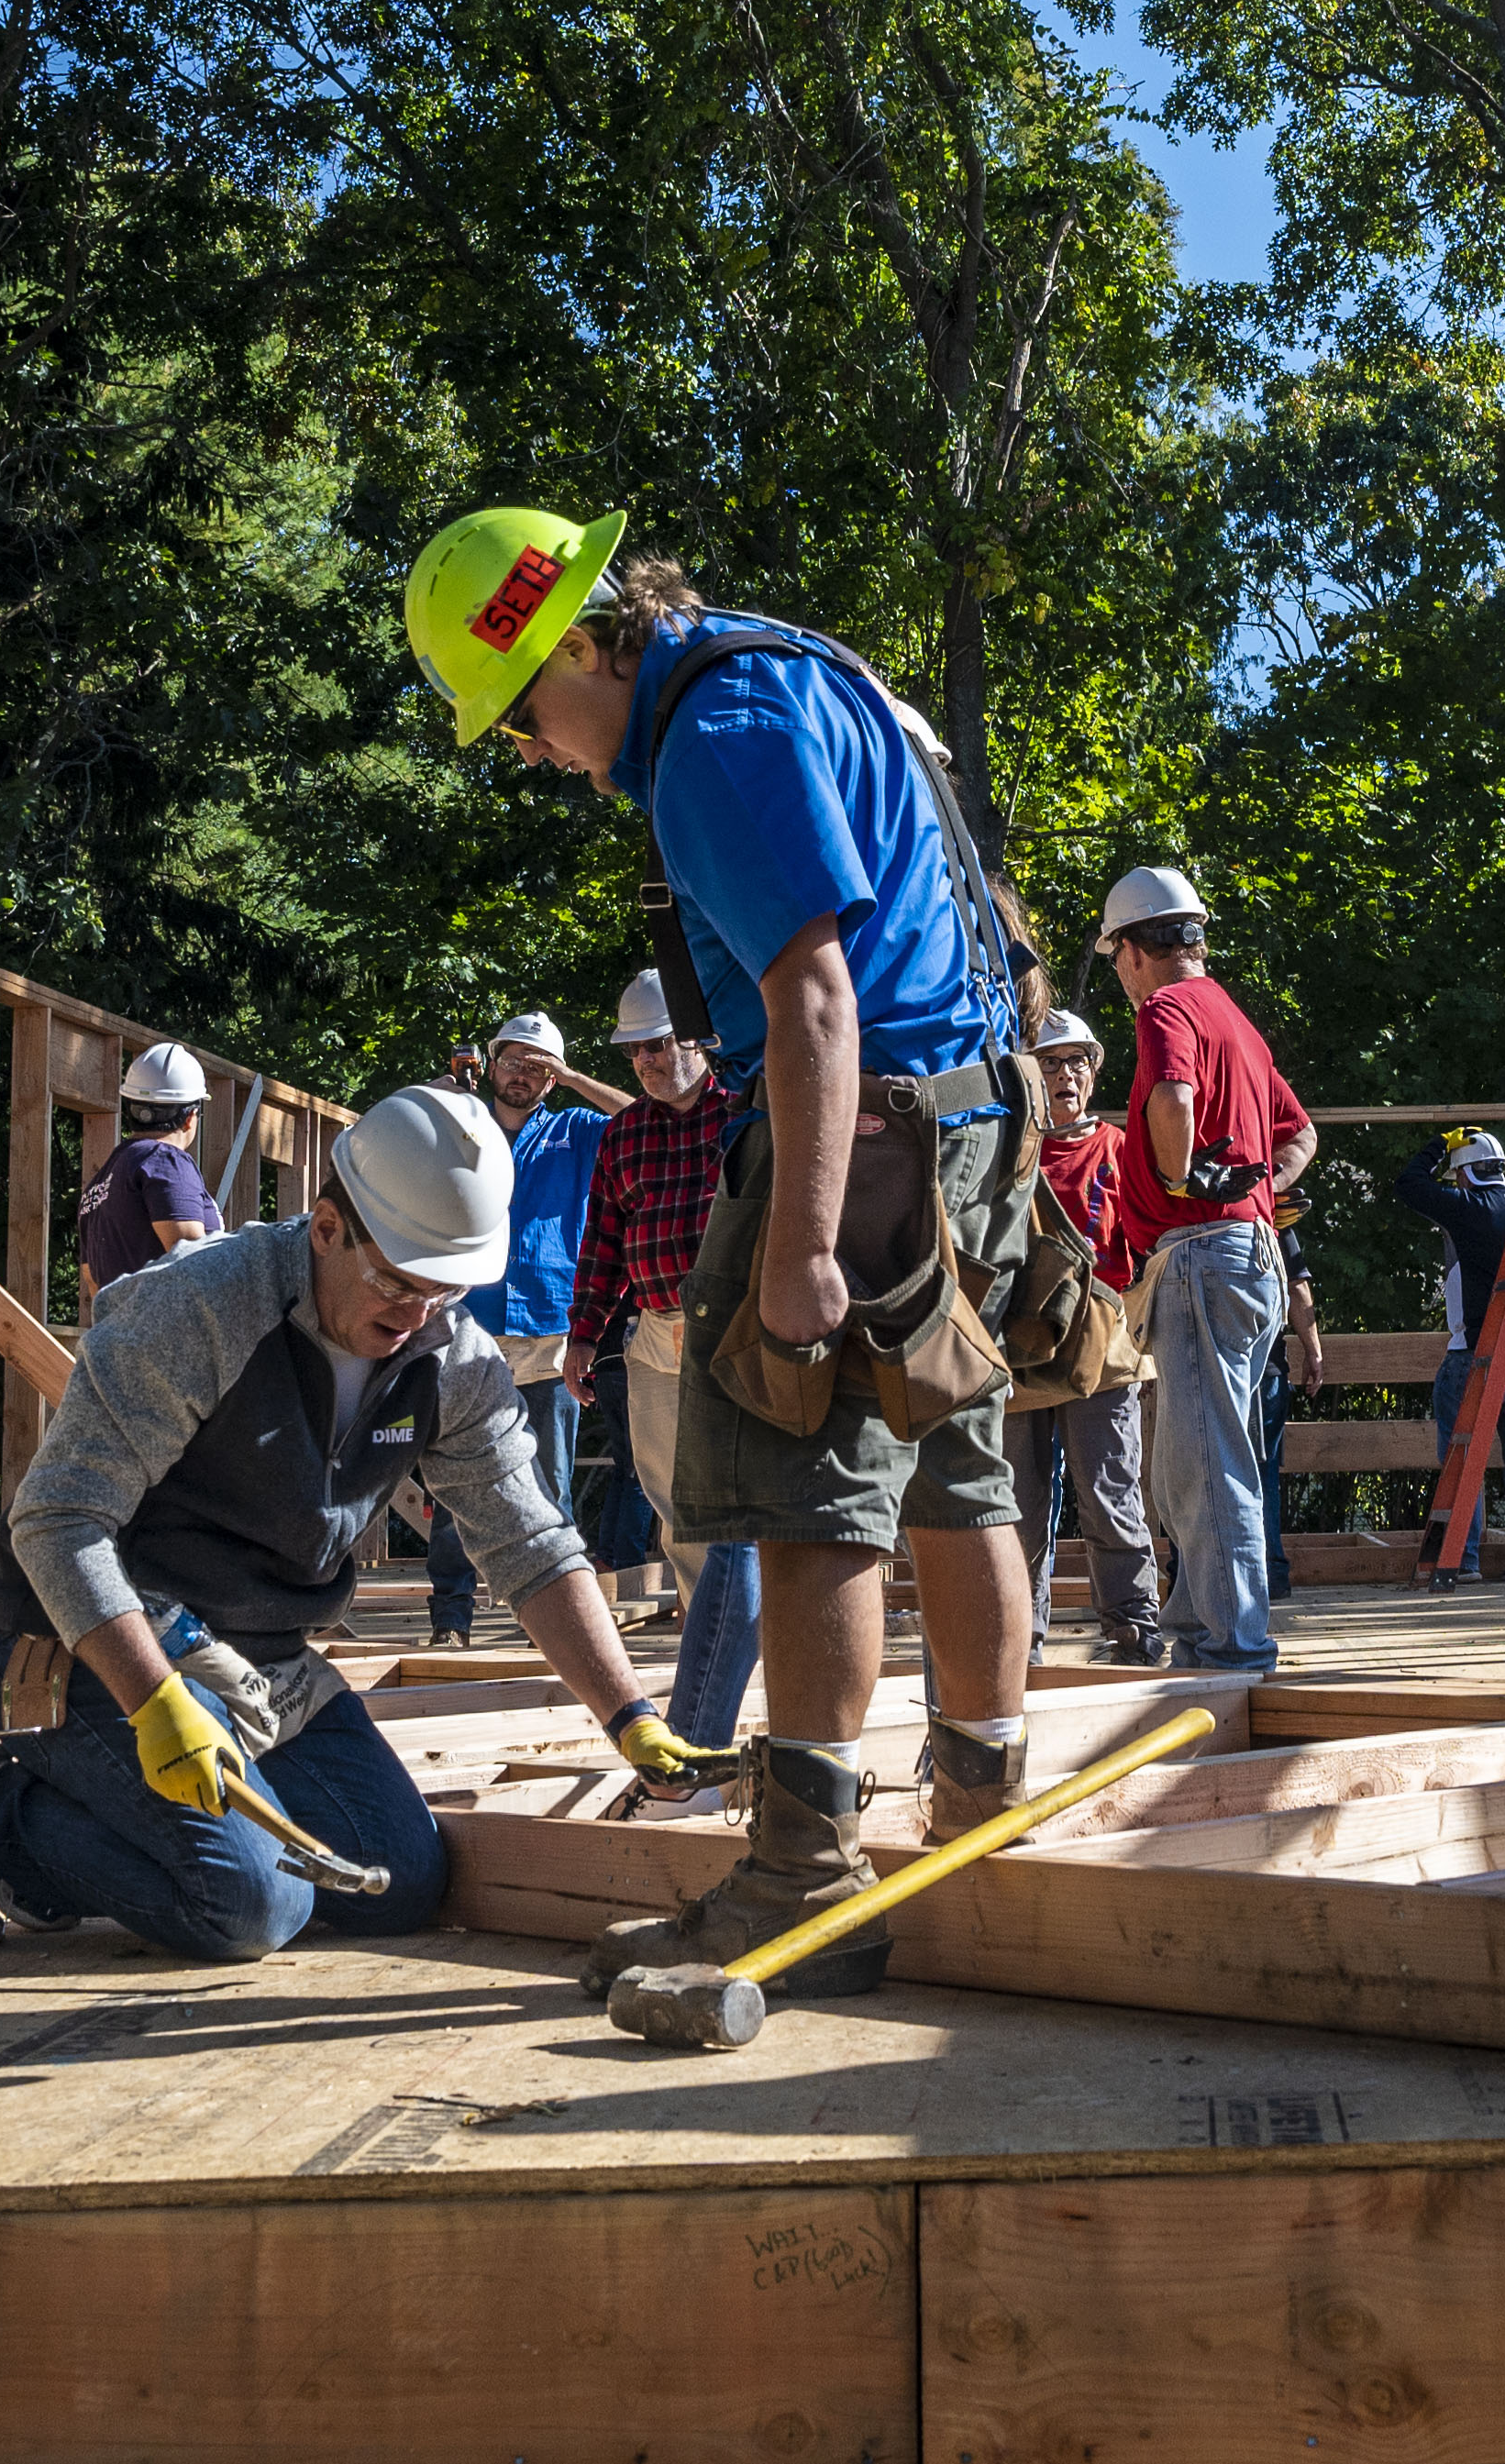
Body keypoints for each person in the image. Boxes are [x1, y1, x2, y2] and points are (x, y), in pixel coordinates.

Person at [408, 503, 1050, 1999]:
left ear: (575, 638)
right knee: (956, 1469)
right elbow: (982, 911)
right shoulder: (801, 666)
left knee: (805, 1488)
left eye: (519, 712)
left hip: (865, 1129)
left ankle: (802, 1868)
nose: (527, 751)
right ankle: (979, 1802)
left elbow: (813, 995)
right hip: (962, 1110)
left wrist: (802, 1239)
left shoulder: (712, 728)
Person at [0, 1089, 719, 1958]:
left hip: (260, 1657)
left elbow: (530, 1546)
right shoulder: (200, 1308)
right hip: (83, 1646)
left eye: (444, 1291)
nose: (416, 1315)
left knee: (396, 1880)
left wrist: (628, 1715)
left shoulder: (452, 1359)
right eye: (398, 1282)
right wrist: (155, 1702)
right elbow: (59, 1521)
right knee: (251, 1904)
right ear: (327, 1227)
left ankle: (97, 1829)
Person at [1091, 864, 1313, 1676]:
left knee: (1207, 1463)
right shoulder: (1236, 1020)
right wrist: (1259, 1182)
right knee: (1196, 1459)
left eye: (1114, 954)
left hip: (1197, 1255)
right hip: (1245, 1256)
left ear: (1132, 948)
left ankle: (1232, 1648)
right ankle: (1199, 1630)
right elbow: (1300, 1135)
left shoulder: (1166, 1007)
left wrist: (1186, 1176)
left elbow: (1174, 1096)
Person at [570, 967, 762, 1761]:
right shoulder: (624, 1135)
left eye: (656, 1045)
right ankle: (711, 1648)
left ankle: (727, 1665)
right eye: (634, 1051)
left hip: (735, 1330)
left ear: (694, 1040)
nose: (645, 1062)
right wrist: (584, 1334)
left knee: (737, 1516)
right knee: (676, 1504)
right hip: (653, 1330)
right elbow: (603, 1245)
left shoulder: (746, 1114)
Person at [426, 1011, 609, 1647]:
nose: (522, 1075)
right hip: (469, 1324)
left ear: (552, 1078)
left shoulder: (575, 1129)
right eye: (513, 1061)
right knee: (457, 1477)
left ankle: (549, 1629)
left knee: (547, 1481)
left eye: (539, 1067)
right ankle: (451, 1617)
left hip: (550, 1328)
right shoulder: (464, 1122)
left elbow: (648, 1118)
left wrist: (576, 1077)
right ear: (493, 1061)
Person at [1013, 1005, 1165, 1663]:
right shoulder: (1008, 1152)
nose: (1066, 1074)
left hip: (1102, 1340)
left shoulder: (1120, 1148)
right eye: (1050, 1062)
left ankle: (1132, 1627)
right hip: (1019, 1345)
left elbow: (1153, 1239)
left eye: (1078, 1061)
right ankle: (1017, 1639)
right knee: (1016, 1504)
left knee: (1109, 1490)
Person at [1414, 1129, 1505, 1585]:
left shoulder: (1466, 1209)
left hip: (1472, 1352)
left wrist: (1438, 1144)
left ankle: (1464, 1558)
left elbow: (1410, 1185)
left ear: (1463, 1174)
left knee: (1462, 1455)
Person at [76, 1041, 226, 1309]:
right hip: (171, 1342)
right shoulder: (166, 1161)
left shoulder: (99, 1183)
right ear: (191, 1116)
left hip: (118, 1342)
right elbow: (192, 1256)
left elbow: (93, 1283)